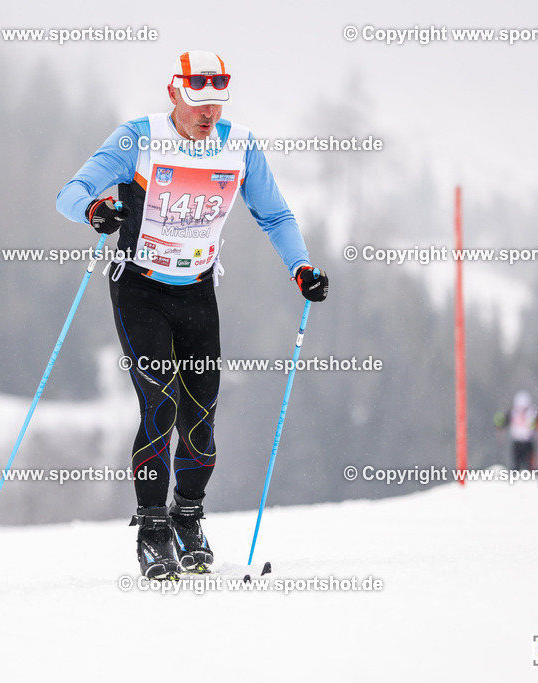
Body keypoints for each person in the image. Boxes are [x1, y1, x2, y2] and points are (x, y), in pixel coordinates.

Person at [56, 51, 328, 578]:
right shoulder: (138, 137)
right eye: (199, 103)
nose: (209, 115)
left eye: (217, 104)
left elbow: (274, 214)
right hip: (139, 288)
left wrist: (301, 267)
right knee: (158, 404)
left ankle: (188, 517)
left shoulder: (239, 146)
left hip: (198, 291)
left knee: (201, 419)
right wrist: (95, 211)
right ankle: (153, 529)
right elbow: (70, 194)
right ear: (174, 93)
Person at [494, 390, 538, 471]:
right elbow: (502, 422)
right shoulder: (512, 411)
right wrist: (499, 424)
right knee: (516, 465)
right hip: (517, 443)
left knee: (531, 465)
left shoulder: (533, 411)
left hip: (529, 442)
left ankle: (532, 477)